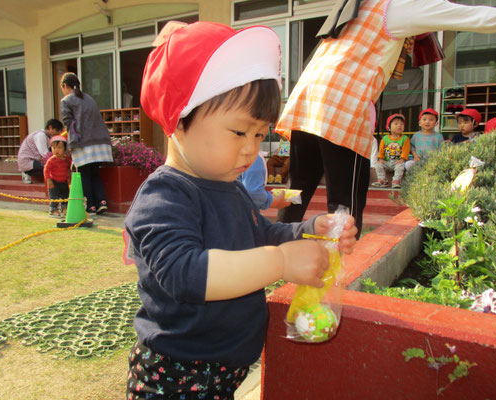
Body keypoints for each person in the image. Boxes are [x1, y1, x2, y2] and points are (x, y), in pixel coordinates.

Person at [124, 21, 358, 399]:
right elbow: (185, 273)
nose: (252, 150)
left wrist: (312, 227)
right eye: (239, 132)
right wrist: (280, 263)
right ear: (178, 120)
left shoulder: (228, 187)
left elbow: (260, 234)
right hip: (175, 373)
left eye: (260, 134)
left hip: (223, 369)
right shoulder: (164, 195)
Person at [274, 0, 496, 238]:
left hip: (307, 98)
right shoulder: (398, 6)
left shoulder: (361, 4)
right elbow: (473, 15)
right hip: (342, 101)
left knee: (299, 184)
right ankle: (337, 267)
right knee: (346, 198)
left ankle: (274, 247)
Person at [60, 72, 112, 215]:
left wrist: (70, 143)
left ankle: (90, 205)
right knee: (95, 173)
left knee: (84, 174)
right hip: (100, 141)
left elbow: (68, 123)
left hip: (82, 142)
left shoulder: (66, 100)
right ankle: (101, 201)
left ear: (65, 86)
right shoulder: (89, 98)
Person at [17, 119, 63, 183]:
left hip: (36, 160)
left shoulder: (48, 137)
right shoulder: (40, 135)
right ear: (50, 127)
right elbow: (44, 154)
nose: (59, 133)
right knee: (52, 167)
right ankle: (26, 173)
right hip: (27, 161)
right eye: (58, 130)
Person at [371, 114, 410, 188]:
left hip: (398, 162)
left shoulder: (405, 139)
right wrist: (381, 159)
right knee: (378, 164)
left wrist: (402, 159)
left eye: (401, 124)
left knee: (400, 166)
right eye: (396, 124)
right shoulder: (385, 139)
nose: (399, 125)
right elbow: (381, 151)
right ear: (389, 127)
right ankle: (382, 180)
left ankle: (396, 181)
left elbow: (406, 151)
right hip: (387, 162)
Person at [43, 135, 71, 218]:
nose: (56, 150)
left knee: (65, 196)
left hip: (64, 182)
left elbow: (68, 169)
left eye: (59, 148)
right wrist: (48, 180)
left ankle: (64, 209)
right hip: (54, 182)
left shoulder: (66, 159)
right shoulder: (51, 160)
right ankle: (54, 210)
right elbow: (46, 170)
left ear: (64, 149)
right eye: (54, 148)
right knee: (54, 197)